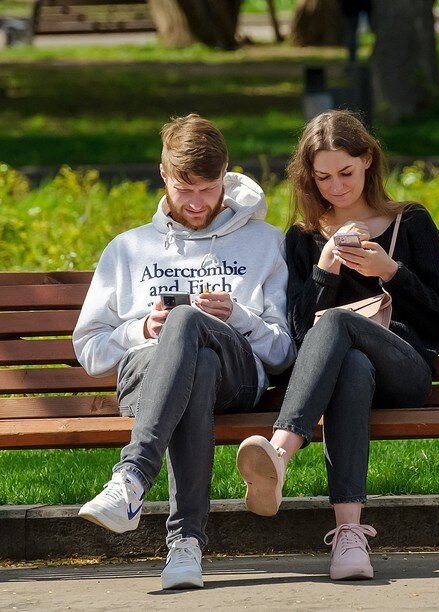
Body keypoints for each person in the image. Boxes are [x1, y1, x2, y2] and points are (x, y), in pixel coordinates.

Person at [236, 110, 439, 580]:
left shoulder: (410, 222)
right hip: (342, 381)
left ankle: (279, 453)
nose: (336, 187)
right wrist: (324, 269)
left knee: (341, 324)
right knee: (353, 366)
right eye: (323, 178)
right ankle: (349, 539)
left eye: (346, 173)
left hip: (406, 371)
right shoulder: (302, 238)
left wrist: (390, 273)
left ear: (367, 161)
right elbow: (299, 333)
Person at [73, 114, 295, 590]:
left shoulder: (266, 243)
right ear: (162, 174)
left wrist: (238, 317)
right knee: (195, 356)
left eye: (209, 189)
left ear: (227, 174)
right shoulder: (127, 248)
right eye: (183, 188)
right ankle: (186, 545)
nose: (196, 203)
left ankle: (131, 479)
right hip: (149, 376)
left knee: (191, 324)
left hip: (236, 381)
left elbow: (282, 354)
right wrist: (140, 330)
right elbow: (90, 351)